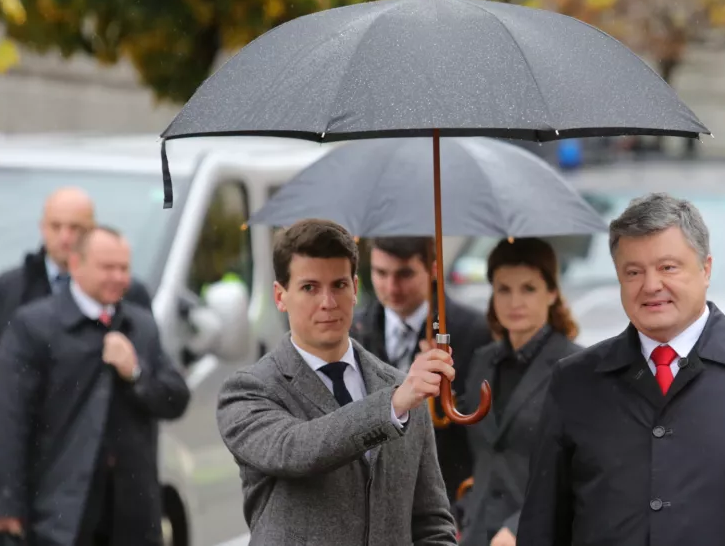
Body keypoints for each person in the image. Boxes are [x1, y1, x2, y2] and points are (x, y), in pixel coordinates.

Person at [516, 193, 725, 546]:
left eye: (668, 267)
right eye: (634, 272)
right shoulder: (575, 383)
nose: (651, 286)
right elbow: (541, 528)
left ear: (705, 269)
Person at [216, 219, 457, 546]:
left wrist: (400, 400)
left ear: (355, 289)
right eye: (309, 287)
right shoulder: (248, 390)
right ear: (280, 295)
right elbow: (297, 450)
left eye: (339, 285)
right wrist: (393, 405)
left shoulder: (401, 389)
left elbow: (431, 523)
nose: (328, 302)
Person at [0, 226, 190, 546]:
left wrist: (135, 372)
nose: (118, 277)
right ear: (75, 265)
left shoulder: (140, 325)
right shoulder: (33, 326)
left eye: (123, 268)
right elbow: (9, 419)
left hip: (131, 512)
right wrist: (6, 504)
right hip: (59, 512)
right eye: (107, 268)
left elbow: (175, 399)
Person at [0, 187, 152, 500]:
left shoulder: (125, 291)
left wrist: (135, 371)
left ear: (93, 231)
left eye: (76, 228)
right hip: (26, 447)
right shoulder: (12, 289)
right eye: (56, 226)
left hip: (97, 461)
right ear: (42, 227)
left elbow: (154, 370)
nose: (65, 237)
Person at [457, 238, 582, 546]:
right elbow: (475, 452)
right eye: (504, 289)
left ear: (552, 293)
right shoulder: (481, 361)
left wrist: (519, 526)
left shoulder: (575, 366)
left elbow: (579, 468)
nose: (515, 302)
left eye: (528, 289)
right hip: (477, 535)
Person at [350, 236, 491, 509]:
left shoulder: (472, 331)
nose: (392, 287)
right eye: (381, 273)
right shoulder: (355, 332)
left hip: (447, 499)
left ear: (433, 269)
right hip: (374, 500)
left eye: (405, 274)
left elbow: (483, 431)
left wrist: (446, 393)